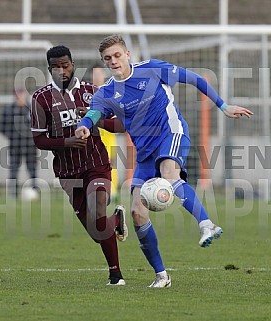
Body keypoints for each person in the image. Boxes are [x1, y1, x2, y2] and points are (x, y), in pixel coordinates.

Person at [75, 34, 254, 288]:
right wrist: (84, 126)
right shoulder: (107, 92)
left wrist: (223, 106)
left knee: (169, 172)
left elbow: (193, 78)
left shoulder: (151, 69)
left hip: (171, 132)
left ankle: (206, 224)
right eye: (107, 58)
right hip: (145, 153)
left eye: (117, 55)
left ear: (127, 54)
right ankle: (161, 276)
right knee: (137, 213)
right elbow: (94, 112)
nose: (113, 61)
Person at [30, 45, 128, 286]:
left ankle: (115, 275)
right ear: (49, 68)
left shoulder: (92, 92)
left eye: (66, 65)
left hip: (97, 164)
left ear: (73, 64)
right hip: (68, 172)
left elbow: (121, 125)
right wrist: (66, 142)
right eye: (56, 67)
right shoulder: (40, 98)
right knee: (97, 231)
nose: (62, 71)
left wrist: (98, 119)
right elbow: (39, 139)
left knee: (97, 211)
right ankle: (116, 221)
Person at [90, 62, 120, 202]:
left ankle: (112, 190)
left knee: (109, 161)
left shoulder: (109, 91)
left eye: (99, 73)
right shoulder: (88, 92)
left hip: (107, 132)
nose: (97, 76)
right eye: (94, 73)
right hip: (92, 132)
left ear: (104, 74)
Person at [0, 88, 38, 198]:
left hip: (30, 145)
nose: (20, 97)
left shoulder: (31, 109)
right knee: (13, 169)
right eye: (18, 95)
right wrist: (12, 137)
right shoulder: (9, 110)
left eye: (22, 95)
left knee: (32, 169)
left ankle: (35, 191)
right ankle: (13, 194)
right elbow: (3, 127)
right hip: (15, 145)